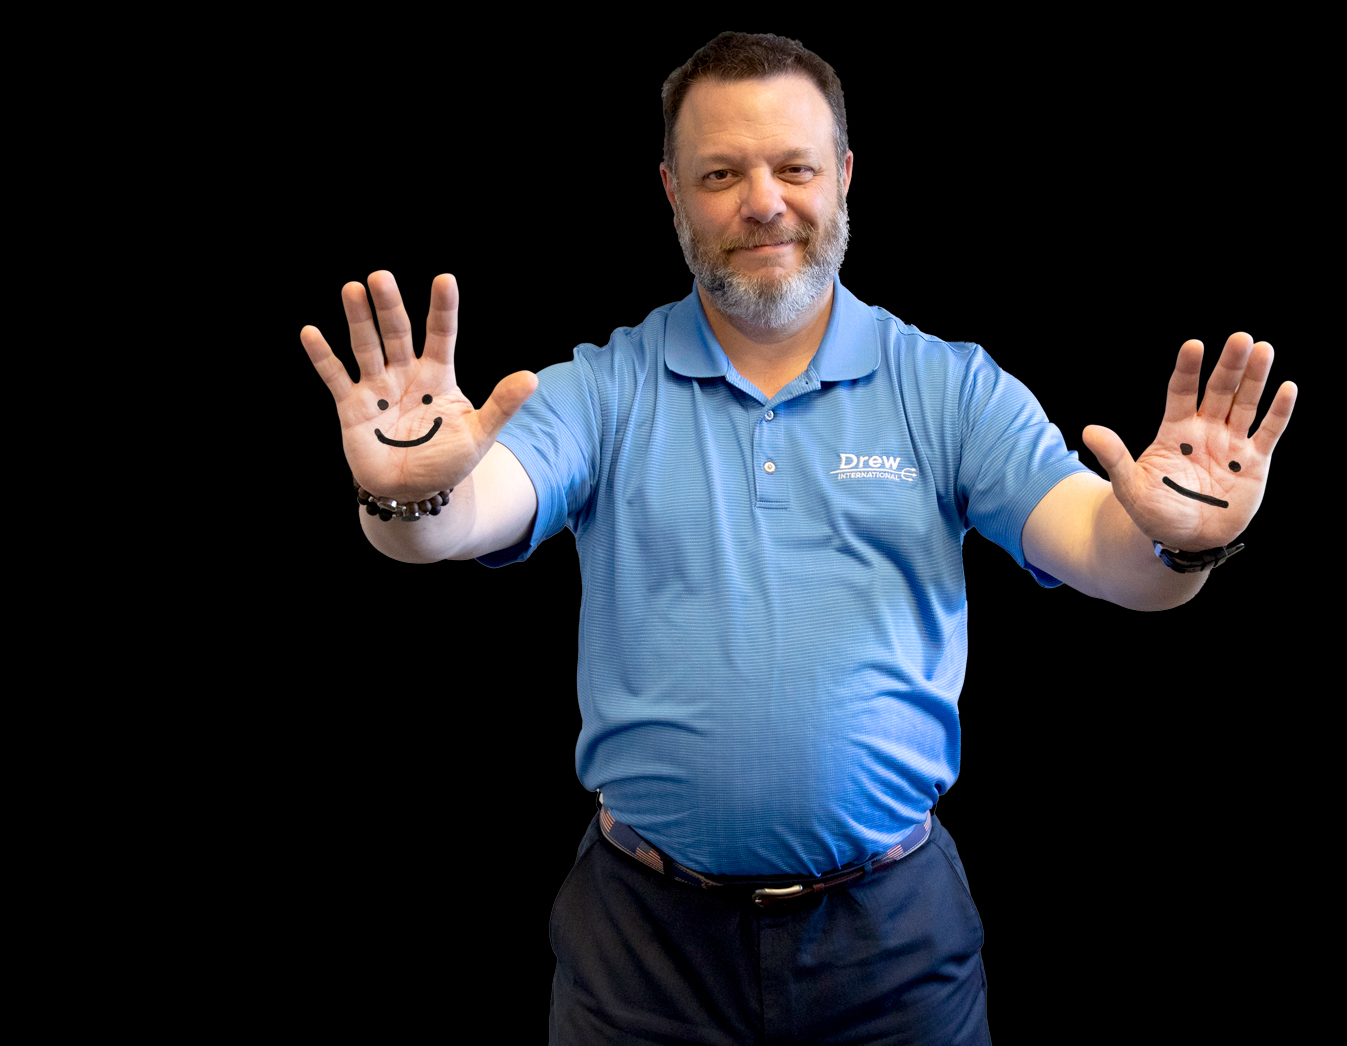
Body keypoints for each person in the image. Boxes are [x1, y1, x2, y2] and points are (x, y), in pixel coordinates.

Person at [296, 31, 1297, 1046]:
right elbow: (471, 512)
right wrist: (416, 499)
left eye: (794, 167)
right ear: (674, 193)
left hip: (894, 939)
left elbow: (1103, 546)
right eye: (721, 173)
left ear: (846, 175)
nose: (762, 202)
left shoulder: (947, 387)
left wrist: (1176, 544)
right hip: (643, 947)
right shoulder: (601, 387)